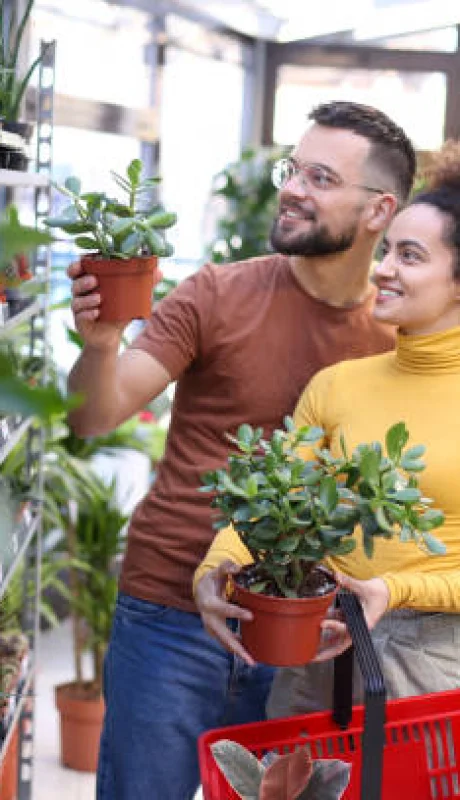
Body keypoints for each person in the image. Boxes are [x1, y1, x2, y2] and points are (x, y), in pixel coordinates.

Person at [67, 101, 415, 800]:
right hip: (169, 611)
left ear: (379, 212)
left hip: (305, 631)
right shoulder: (218, 292)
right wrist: (100, 347)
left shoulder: (401, 333)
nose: (291, 187)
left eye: (320, 176)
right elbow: (96, 416)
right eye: (293, 169)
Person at [194, 140, 460, 720]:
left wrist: (398, 591)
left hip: (439, 665)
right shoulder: (337, 385)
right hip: (323, 645)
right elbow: (274, 506)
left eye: (409, 257)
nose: (383, 268)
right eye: (386, 250)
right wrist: (215, 570)